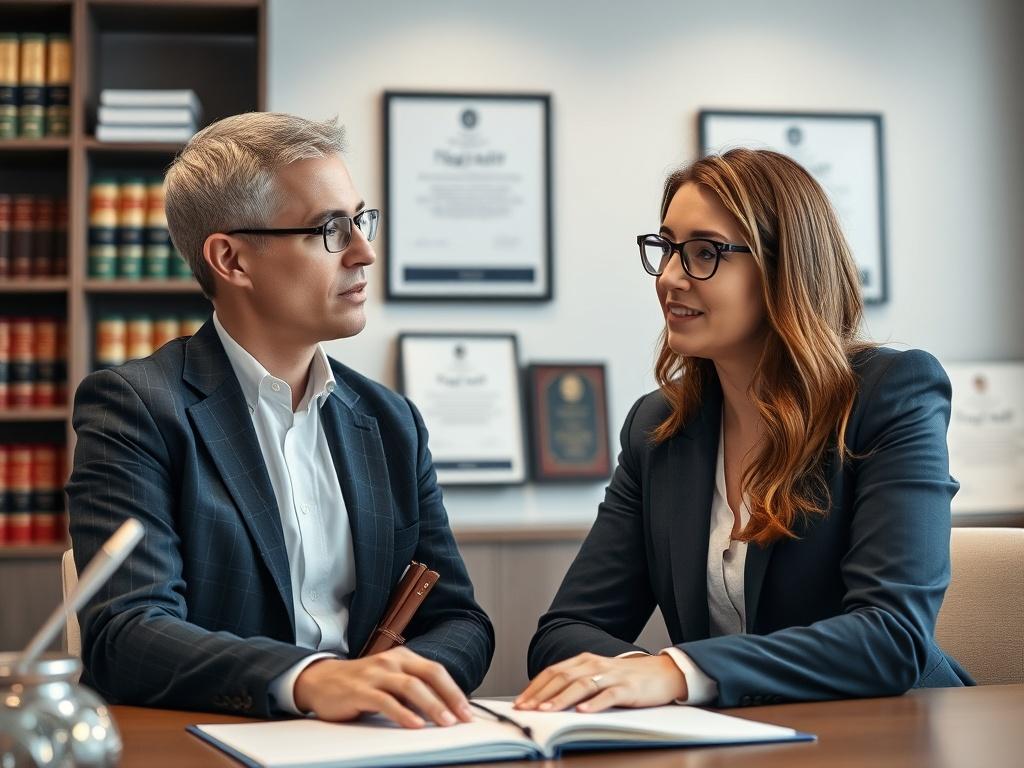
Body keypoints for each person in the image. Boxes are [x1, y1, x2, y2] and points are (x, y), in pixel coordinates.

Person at [67, 112, 494, 727]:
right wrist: (315, 681)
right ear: (232, 259)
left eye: (361, 220)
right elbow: (127, 631)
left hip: (375, 741)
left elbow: (459, 620)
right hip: (213, 741)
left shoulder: (390, 419)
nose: (364, 252)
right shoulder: (137, 407)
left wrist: (400, 681)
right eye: (329, 229)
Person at [519, 148, 972, 713]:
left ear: (784, 271)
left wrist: (679, 671)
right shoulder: (657, 427)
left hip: (895, 733)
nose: (670, 277)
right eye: (665, 249)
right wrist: (638, 673)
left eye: (705, 253)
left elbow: (891, 637)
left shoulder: (889, 394)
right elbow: (566, 630)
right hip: (737, 743)